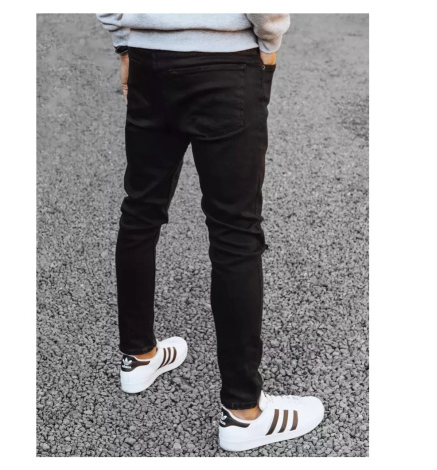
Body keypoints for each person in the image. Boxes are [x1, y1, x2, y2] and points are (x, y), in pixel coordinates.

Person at [97, 13, 324, 452]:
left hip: (148, 58)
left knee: (140, 211)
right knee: (234, 232)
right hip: (226, 61)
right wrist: (270, 41)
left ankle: (138, 357)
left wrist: (124, 41)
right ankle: (243, 412)